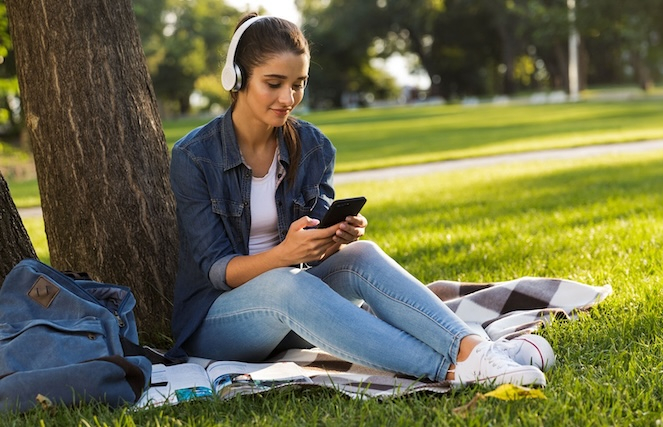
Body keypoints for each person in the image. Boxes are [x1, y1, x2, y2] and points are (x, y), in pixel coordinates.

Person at [166, 13, 549, 387]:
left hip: (295, 309)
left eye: (298, 84)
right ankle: (449, 371)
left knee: (361, 255)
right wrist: (284, 254)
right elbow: (219, 270)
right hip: (218, 322)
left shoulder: (314, 147)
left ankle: (474, 351)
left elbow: (313, 251)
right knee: (288, 284)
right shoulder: (195, 157)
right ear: (237, 78)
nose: (289, 98)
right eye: (274, 83)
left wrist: (334, 237)